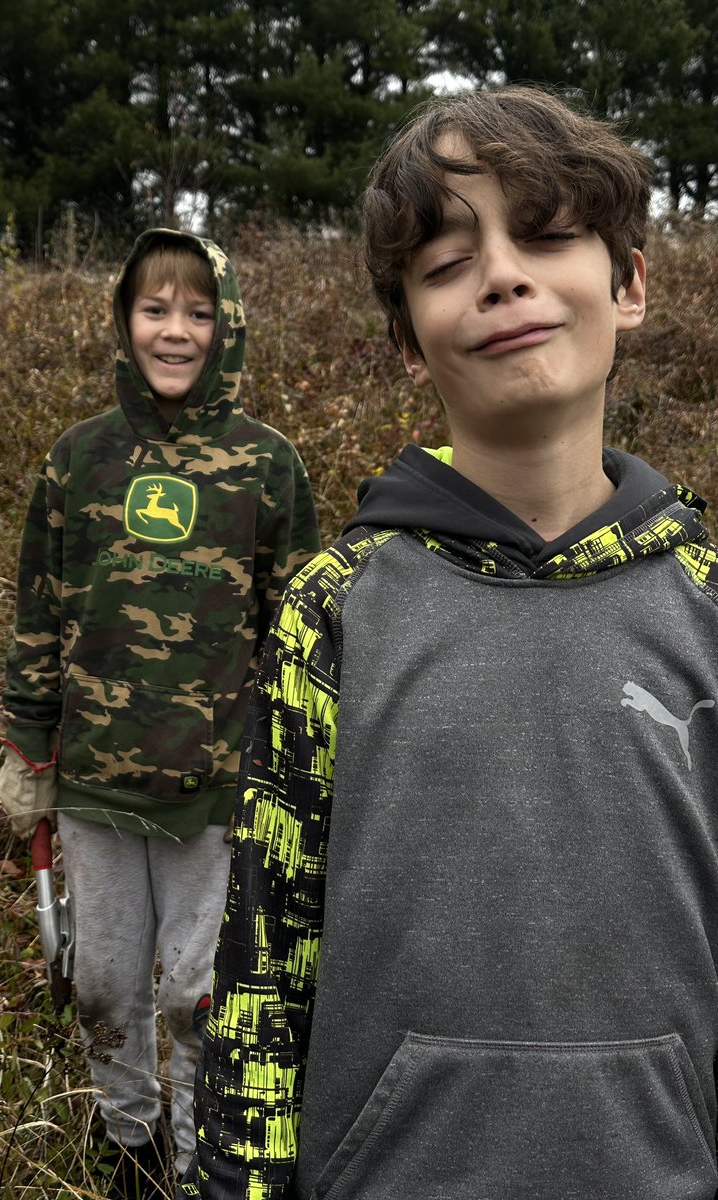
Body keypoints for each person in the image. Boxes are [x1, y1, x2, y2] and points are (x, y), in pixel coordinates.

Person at [180, 86, 718, 1200]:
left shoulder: (709, 599)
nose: (504, 275)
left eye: (548, 233)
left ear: (629, 284)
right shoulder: (335, 608)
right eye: (445, 261)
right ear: (410, 343)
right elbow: (265, 969)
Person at [0, 228, 320, 1198]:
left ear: (228, 326)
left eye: (198, 311)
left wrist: (293, 760)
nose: (175, 330)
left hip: (214, 786)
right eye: (154, 308)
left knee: (195, 993)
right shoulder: (77, 460)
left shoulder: (268, 466)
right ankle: (128, 1142)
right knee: (100, 984)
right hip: (94, 778)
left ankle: (194, 1153)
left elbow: (295, 624)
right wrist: (28, 738)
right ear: (124, 320)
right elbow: (41, 607)